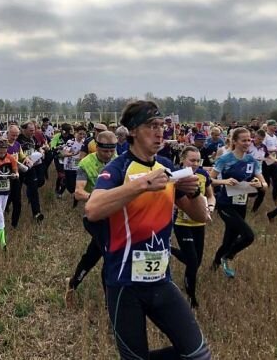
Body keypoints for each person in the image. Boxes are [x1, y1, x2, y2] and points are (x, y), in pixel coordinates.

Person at [85, 100, 212, 360]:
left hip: (160, 280)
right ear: (132, 130)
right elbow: (93, 209)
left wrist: (194, 191)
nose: (159, 132)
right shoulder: (117, 168)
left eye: (162, 126)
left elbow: (201, 216)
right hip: (124, 284)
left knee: (198, 355)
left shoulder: (166, 167)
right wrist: (142, 185)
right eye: (151, 126)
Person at [64, 131, 118, 306]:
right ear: (96, 146)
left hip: (113, 217)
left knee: (93, 254)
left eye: (111, 151)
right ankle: (110, 302)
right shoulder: (85, 164)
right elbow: (78, 192)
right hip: (94, 217)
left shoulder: (118, 161)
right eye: (104, 151)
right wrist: (98, 199)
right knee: (110, 255)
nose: (108, 155)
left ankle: (73, 283)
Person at [210, 128, 267, 278]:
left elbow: (264, 184)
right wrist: (224, 181)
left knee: (229, 241)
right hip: (225, 204)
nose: (247, 143)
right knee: (248, 236)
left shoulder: (251, 160)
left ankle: (214, 266)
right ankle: (227, 257)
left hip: (241, 204)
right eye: (243, 140)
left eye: (249, 140)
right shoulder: (225, 159)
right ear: (235, 141)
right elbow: (209, 180)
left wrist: (259, 184)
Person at [170, 145, 215, 307]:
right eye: (192, 160)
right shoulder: (175, 175)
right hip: (182, 223)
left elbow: (210, 195)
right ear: (183, 160)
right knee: (192, 262)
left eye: (198, 160)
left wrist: (210, 208)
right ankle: (191, 298)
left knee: (197, 261)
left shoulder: (203, 174)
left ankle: (169, 250)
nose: (195, 164)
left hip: (199, 223)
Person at [262, 119, 277, 203]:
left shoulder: (275, 137)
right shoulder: (265, 136)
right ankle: (260, 198)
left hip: (273, 162)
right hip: (265, 162)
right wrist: (275, 150)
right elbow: (263, 149)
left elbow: (276, 148)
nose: (275, 126)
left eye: (276, 125)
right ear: (268, 126)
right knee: (266, 183)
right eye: (274, 125)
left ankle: (274, 199)